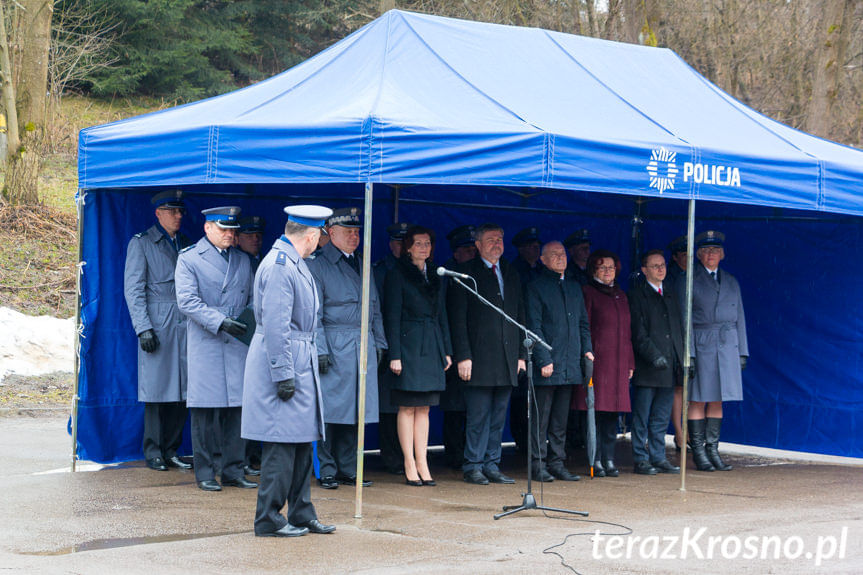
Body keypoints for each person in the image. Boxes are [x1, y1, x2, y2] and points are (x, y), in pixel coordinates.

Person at [242, 205, 336, 538]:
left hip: (299, 358)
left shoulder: (294, 262)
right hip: (285, 360)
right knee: (281, 446)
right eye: (321, 234)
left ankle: (300, 512)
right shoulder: (282, 265)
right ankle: (268, 517)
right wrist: (283, 373)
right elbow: (277, 326)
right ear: (311, 235)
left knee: (299, 444)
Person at [175, 206, 257, 491]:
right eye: (223, 229)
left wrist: (246, 320)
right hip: (207, 338)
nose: (229, 235)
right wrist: (221, 322)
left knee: (237, 410)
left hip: (236, 341)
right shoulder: (188, 259)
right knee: (206, 413)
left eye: (232, 230)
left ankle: (233, 469)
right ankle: (206, 471)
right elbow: (187, 302)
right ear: (207, 228)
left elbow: (251, 298)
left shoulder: (243, 260)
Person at [307, 207, 387, 489]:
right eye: (348, 231)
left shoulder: (363, 263)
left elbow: (374, 307)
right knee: (329, 412)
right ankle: (326, 469)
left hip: (360, 343)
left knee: (356, 411)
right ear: (331, 233)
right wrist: (320, 348)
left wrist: (379, 341)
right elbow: (313, 313)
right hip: (334, 341)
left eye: (357, 231)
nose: (355, 236)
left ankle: (349, 468)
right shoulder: (317, 264)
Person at [448, 223, 526, 485]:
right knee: (478, 416)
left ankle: (492, 464)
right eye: (491, 240)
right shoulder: (466, 273)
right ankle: (473, 465)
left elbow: (519, 315)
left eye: (500, 239)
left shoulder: (512, 272)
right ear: (478, 245)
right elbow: (458, 319)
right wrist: (463, 356)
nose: (497, 244)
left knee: (498, 417)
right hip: (478, 358)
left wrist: (521, 355)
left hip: (506, 359)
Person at [123, 189, 193, 472]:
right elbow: (134, 289)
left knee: (182, 391)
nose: (178, 216)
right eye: (172, 211)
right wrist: (143, 329)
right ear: (158, 213)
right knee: (156, 391)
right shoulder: (142, 244)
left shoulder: (186, 244)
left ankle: (172, 449)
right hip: (159, 324)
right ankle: (153, 451)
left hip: (185, 325)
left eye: (180, 211)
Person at [383, 226, 452, 486]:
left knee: (424, 407)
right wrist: (395, 355)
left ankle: (422, 460)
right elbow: (392, 316)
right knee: (407, 406)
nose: (424, 248)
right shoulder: (397, 274)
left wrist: (446, 349)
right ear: (408, 247)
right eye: (419, 243)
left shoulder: (436, 274)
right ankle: (408, 461)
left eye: (428, 243)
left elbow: (442, 314)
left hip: (431, 343)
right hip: (408, 345)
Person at [525, 241, 593, 482]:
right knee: (541, 419)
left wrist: (587, 351)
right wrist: (543, 358)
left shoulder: (575, 287)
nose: (560, 258)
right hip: (548, 363)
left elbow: (583, 324)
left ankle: (557, 462)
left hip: (570, 363)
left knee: (560, 419)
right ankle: (538, 463)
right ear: (542, 260)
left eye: (563, 253)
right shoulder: (536, 287)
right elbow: (533, 326)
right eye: (554, 255)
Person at [689, 231, 747, 472]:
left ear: (722, 254)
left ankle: (713, 450)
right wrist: (689, 353)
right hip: (702, 344)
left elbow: (739, 318)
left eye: (715, 251)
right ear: (699, 254)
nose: (711, 255)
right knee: (698, 399)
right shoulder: (690, 279)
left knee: (718, 398)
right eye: (706, 251)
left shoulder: (731, 281)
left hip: (726, 345)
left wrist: (742, 350)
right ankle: (699, 451)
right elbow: (686, 320)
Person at [573, 249, 633, 478]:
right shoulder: (588, 292)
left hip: (619, 363)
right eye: (602, 267)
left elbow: (627, 333)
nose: (608, 272)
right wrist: (587, 355)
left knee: (612, 415)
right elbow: (584, 326)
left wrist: (630, 363)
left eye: (611, 267)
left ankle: (609, 458)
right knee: (596, 413)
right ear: (593, 270)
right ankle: (595, 459)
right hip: (599, 363)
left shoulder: (621, 295)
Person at [628, 249, 684, 475]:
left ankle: (658, 456)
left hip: (669, 366)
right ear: (644, 270)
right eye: (655, 266)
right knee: (642, 415)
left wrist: (681, 359)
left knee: (661, 416)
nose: (661, 269)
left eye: (662, 265)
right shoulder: (637, 295)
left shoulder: (669, 292)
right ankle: (640, 458)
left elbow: (677, 330)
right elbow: (638, 333)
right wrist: (654, 356)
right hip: (648, 366)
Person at [373, 222, 411, 475]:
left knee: (409, 402)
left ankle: (405, 455)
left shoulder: (413, 269)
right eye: (398, 242)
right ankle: (391, 457)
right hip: (387, 342)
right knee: (388, 405)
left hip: (411, 343)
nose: (401, 246)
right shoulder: (380, 270)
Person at [439, 224, 477, 469]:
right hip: (453, 347)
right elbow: (444, 313)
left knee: (472, 406)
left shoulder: (475, 274)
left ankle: (467, 451)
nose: (472, 254)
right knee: (453, 407)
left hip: (474, 349)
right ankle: (453, 453)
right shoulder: (448, 274)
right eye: (467, 250)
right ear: (456, 253)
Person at [509, 226, 544, 454]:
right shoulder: (514, 270)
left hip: (541, 339)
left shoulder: (542, 270)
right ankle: (522, 442)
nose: (534, 249)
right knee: (520, 398)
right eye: (530, 245)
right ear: (521, 248)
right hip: (521, 337)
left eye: (536, 245)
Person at [665, 235, 689, 453]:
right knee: (678, 388)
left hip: (695, 337)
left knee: (692, 389)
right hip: (676, 338)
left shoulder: (696, 276)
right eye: (683, 255)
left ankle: (691, 432)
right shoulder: (670, 278)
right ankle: (679, 432)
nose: (687, 259)